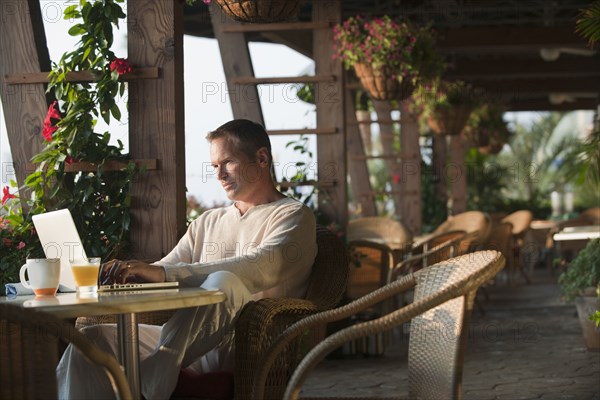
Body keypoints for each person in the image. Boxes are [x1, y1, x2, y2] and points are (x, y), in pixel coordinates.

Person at [57, 119, 317, 399]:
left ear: (262, 158)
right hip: (186, 342)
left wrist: (165, 274)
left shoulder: (293, 216)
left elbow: (260, 266)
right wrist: (126, 273)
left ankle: (153, 381)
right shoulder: (208, 221)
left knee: (225, 281)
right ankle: (154, 374)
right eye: (215, 166)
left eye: (227, 162)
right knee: (93, 340)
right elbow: (166, 269)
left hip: (248, 344)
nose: (219, 175)